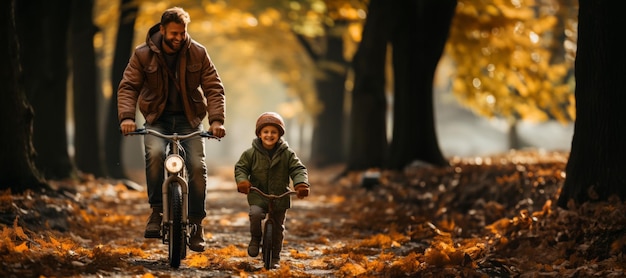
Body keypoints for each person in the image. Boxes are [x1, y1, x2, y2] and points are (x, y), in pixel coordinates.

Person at [118, 6, 226, 252]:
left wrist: (217, 121)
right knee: (154, 155)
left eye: (183, 33)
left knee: (197, 165)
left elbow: (213, 87)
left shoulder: (198, 52)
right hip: (158, 119)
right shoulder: (143, 54)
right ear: (163, 29)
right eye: (174, 33)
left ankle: (197, 224)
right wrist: (127, 117)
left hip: (190, 120)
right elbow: (128, 87)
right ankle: (156, 212)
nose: (179, 38)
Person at [234, 112, 310, 267]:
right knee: (255, 214)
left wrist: (300, 184)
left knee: (278, 229)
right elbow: (241, 168)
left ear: (279, 134)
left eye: (273, 132)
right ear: (260, 134)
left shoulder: (287, 153)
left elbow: (298, 169)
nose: (269, 135)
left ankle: (275, 257)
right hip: (258, 194)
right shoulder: (250, 153)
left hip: (279, 196)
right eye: (266, 132)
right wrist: (242, 181)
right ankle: (255, 238)